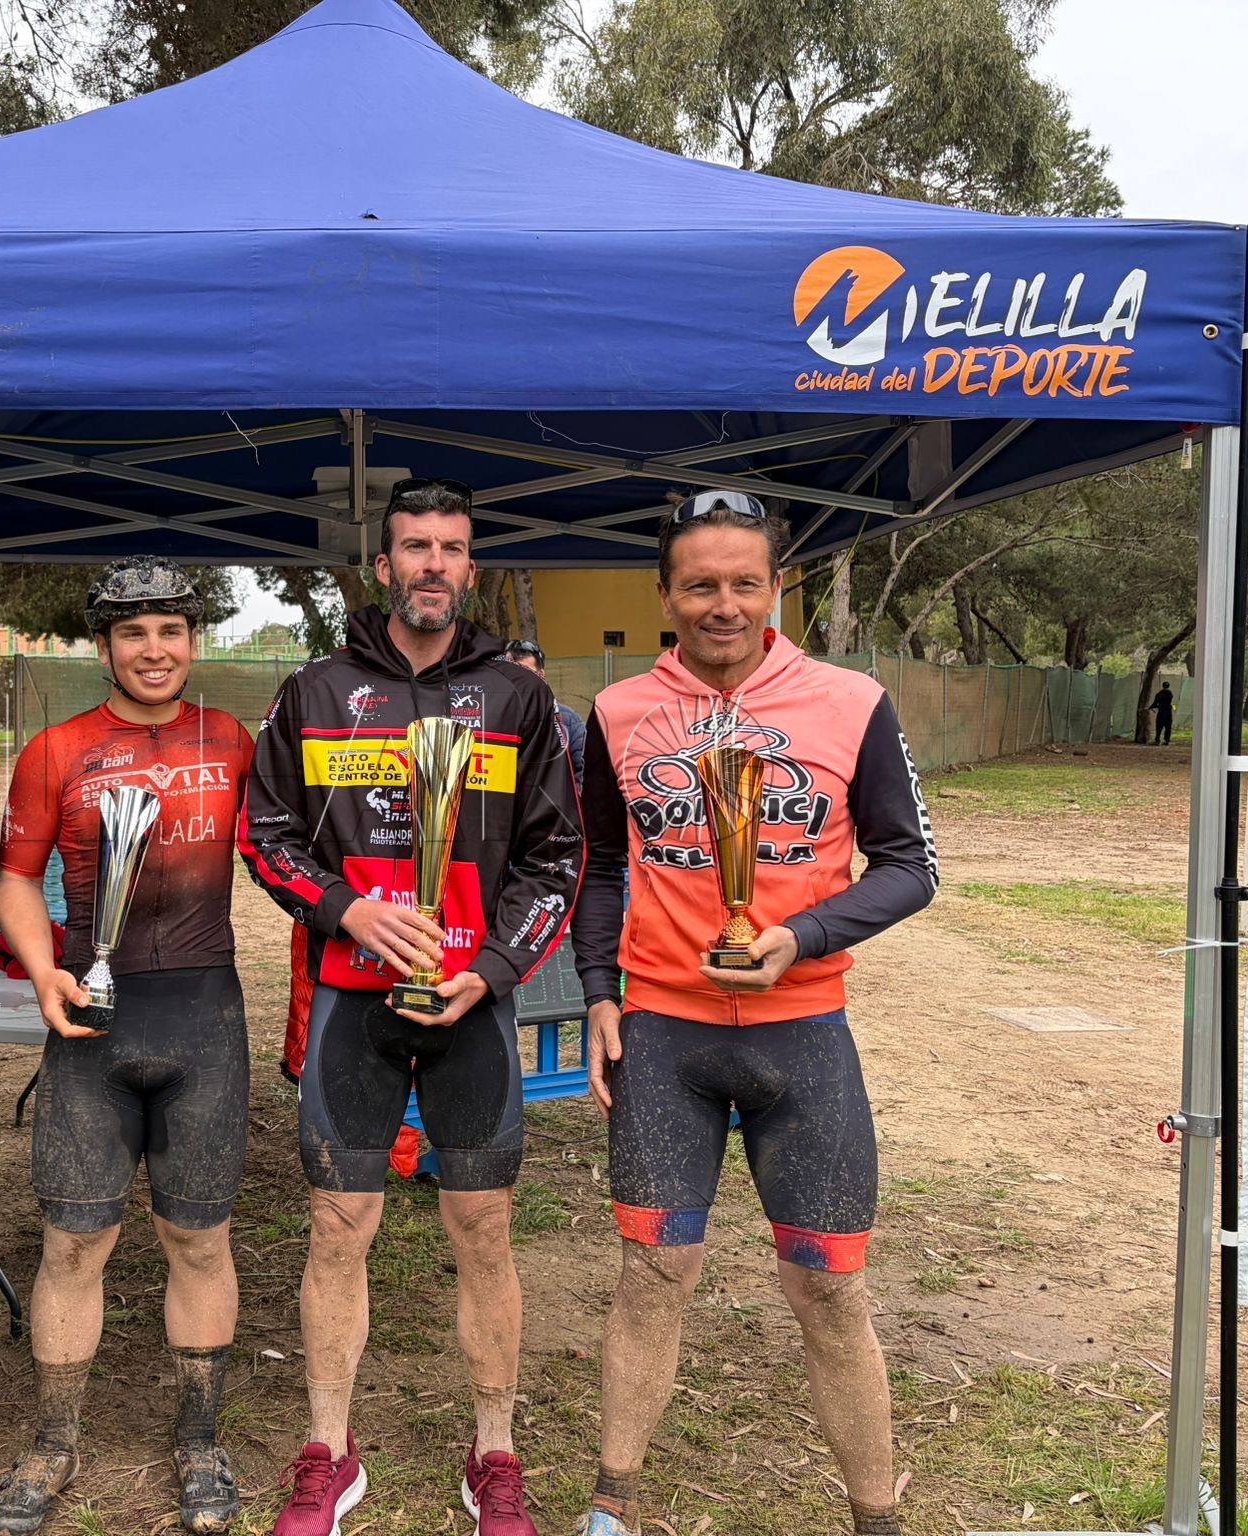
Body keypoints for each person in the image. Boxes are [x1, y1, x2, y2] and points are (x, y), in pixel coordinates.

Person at [572, 490, 938, 1536]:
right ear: (665, 597)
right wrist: (599, 993)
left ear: (778, 587)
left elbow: (909, 866)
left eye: (743, 582)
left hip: (802, 1034)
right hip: (664, 1036)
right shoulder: (617, 712)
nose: (722, 604)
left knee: (829, 1291)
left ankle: (876, 1519)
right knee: (653, 1275)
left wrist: (801, 937)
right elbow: (601, 864)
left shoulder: (850, 701)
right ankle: (611, 1506)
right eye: (699, 586)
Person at [240, 478, 584, 1536]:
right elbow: (265, 835)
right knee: (336, 1225)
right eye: (414, 547)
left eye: (450, 547)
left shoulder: (518, 699)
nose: (432, 564)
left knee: (483, 1229)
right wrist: (345, 910)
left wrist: (495, 966)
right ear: (382, 565)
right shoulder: (315, 690)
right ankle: (328, 1453)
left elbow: (557, 856)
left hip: (470, 1004)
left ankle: (495, 1453)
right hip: (353, 1002)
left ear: (470, 566)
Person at [0, 557, 256, 1536]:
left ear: (193, 641)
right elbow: (16, 877)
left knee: (199, 1239)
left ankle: (199, 1439)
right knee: (73, 1240)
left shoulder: (229, 740)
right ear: (102, 646)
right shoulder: (55, 750)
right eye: (133, 632)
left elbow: (294, 848)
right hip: (91, 1022)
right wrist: (41, 968)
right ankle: (52, 1442)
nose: (154, 650)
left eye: (170, 630)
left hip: (204, 1018)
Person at [502, 638, 587, 792]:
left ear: (540, 675)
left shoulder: (568, 721)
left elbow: (584, 775)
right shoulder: (490, 719)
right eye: (508, 673)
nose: (515, 681)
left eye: (524, 673)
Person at [1152, 681, 1176, 746]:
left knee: (1159, 726)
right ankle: (1166, 740)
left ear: (1162, 686)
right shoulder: (1170, 694)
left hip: (1161, 712)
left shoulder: (1159, 694)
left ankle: (1157, 740)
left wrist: (1151, 707)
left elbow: (1155, 703)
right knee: (1168, 727)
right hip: (1168, 712)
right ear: (1168, 686)